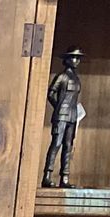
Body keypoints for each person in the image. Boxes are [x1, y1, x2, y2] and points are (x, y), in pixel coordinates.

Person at [42, 49, 84, 188]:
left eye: (78, 58)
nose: (76, 61)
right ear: (66, 60)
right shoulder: (62, 76)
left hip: (72, 116)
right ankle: (47, 176)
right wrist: (59, 107)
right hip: (62, 115)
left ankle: (64, 177)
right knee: (56, 144)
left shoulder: (76, 78)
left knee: (68, 146)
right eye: (73, 58)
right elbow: (51, 93)